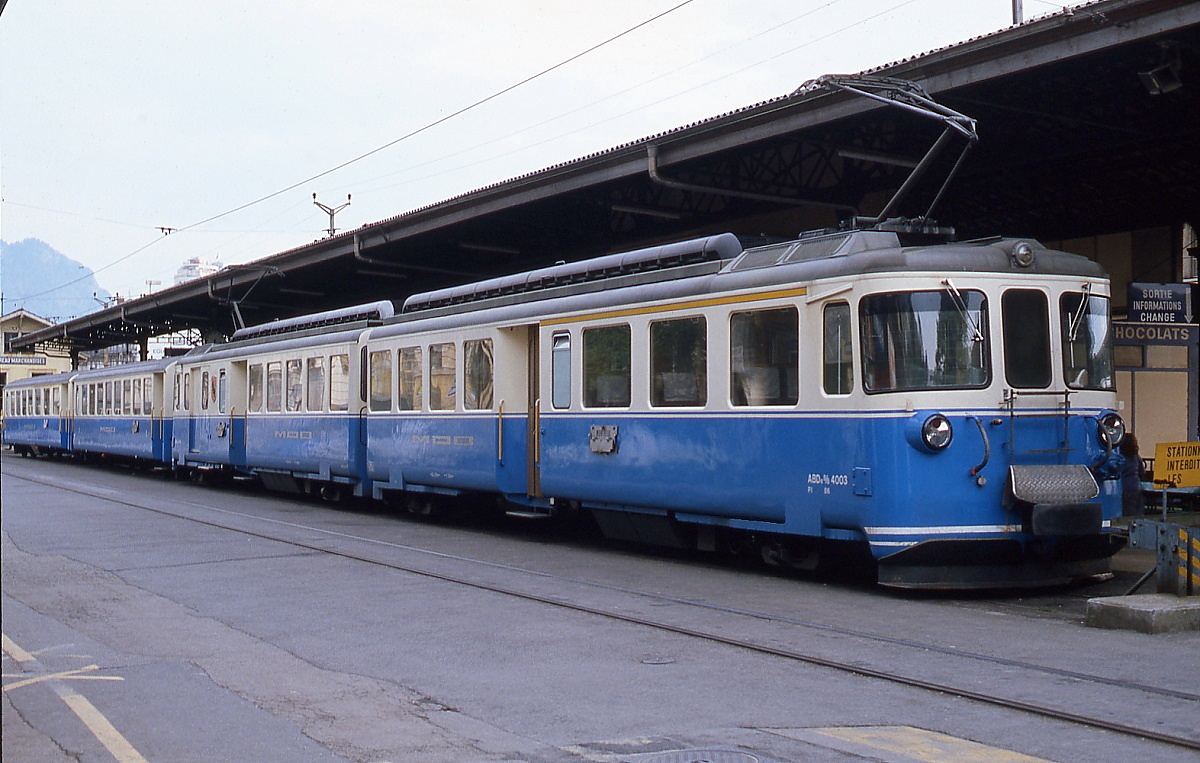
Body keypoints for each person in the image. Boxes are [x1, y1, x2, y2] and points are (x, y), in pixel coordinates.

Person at [1119, 433, 1145, 517]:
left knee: (1125, 512)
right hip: (1135, 486)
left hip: (1123, 486)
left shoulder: (1119, 457)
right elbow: (1142, 472)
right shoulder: (1136, 456)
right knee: (1137, 512)